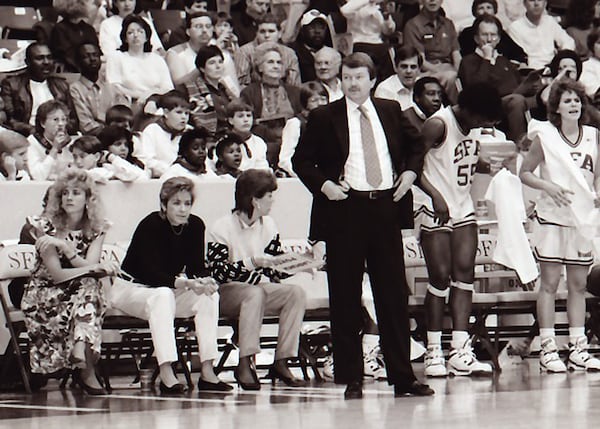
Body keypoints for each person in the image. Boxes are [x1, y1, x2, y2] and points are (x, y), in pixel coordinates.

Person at [292, 52, 433, 399]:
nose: (353, 83)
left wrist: (411, 174)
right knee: (345, 295)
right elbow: (301, 160)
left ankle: (402, 377)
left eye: (359, 77)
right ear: (341, 80)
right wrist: (325, 185)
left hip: (385, 207)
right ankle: (351, 377)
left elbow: (418, 145)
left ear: (372, 80)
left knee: (393, 294)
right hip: (345, 209)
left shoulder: (389, 110)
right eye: (347, 78)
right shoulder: (326, 116)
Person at [415, 83, 503, 378]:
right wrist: (436, 196)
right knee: (439, 276)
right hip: (433, 205)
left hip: (462, 205)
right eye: (482, 119)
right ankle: (433, 350)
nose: (484, 125)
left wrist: (483, 165)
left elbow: (463, 157)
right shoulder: (437, 125)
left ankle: (459, 349)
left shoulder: (475, 128)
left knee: (465, 275)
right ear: (468, 110)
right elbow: (410, 165)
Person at [118, 176, 232, 393]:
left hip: (168, 290)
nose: (182, 209)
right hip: (133, 289)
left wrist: (205, 280)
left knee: (208, 296)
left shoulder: (195, 225)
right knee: (162, 295)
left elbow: (196, 266)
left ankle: (208, 371)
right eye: (176, 203)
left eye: (187, 203)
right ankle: (166, 370)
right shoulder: (150, 224)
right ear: (164, 204)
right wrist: (186, 283)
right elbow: (148, 272)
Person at [519, 79, 600, 372]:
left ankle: (578, 347)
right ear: (556, 107)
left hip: (580, 220)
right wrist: (548, 186)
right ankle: (548, 347)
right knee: (550, 284)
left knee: (578, 285)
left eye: (577, 100)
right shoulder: (546, 137)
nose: (574, 105)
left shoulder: (593, 135)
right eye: (567, 101)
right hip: (552, 217)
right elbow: (525, 172)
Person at [207, 169, 307, 390]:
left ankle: (282, 360)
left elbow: (274, 270)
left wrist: (301, 264)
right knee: (255, 293)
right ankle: (245, 361)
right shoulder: (221, 227)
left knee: (295, 293)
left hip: (257, 290)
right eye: (269, 195)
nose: (273, 201)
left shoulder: (269, 225)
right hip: (225, 292)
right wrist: (252, 263)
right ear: (255, 199)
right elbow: (217, 273)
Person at [21, 168, 117, 395]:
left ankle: (80, 349)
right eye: (65, 193)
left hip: (79, 293)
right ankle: (84, 362)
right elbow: (57, 275)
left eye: (76, 193)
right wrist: (69, 250)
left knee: (90, 286)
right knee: (90, 287)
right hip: (44, 295)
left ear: (88, 199)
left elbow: (89, 266)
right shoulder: (44, 226)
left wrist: (68, 249)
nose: (69, 198)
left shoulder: (97, 227)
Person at [240, 43, 302, 168]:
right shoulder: (249, 92)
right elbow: (248, 122)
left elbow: (302, 117)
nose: (276, 66)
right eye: (270, 62)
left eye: (279, 63)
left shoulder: (295, 91)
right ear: (260, 67)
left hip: (293, 141)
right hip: (263, 141)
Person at [1, 43, 78, 137]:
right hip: (27, 136)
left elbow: (73, 120)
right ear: (27, 62)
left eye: (49, 57)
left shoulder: (61, 85)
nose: (46, 62)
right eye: (39, 58)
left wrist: (59, 130)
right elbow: (9, 121)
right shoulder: (11, 85)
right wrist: (36, 131)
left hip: (60, 135)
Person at [105, 15, 174, 108]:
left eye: (140, 31)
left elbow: (168, 88)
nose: (136, 35)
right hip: (127, 105)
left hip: (155, 103)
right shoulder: (116, 57)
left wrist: (150, 95)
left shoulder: (157, 59)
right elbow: (114, 87)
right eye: (130, 33)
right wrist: (140, 95)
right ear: (125, 38)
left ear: (147, 37)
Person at [403, 0, 462, 103]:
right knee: (450, 77)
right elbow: (420, 61)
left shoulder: (448, 24)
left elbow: (456, 54)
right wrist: (443, 72)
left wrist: (460, 72)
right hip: (426, 72)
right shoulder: (413, 25)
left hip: (449, 68)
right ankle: (453, 110)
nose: (432, 0)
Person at [69, 42, 130, 135]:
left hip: (118, 137)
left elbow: (123, 117)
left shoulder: (111, 87)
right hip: (93, 138)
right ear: (78, 62)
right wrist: (112, 132)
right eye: (86, 56)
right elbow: (86, 126)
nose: (92, 59)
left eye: (95, 55)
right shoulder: (75, 89)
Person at [179, 45, 237, 135]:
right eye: (212, 63)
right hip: (206, 136)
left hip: (231, 134)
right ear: (202, 68)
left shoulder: (226, 89)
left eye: (220, 62)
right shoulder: (191, 88)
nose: (218, 66)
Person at [234, 14, 301, 88]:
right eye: (262, 31)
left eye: (271, 31)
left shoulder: (289, 54)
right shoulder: (244, 52)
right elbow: (242, 84)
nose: (267, 35)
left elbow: (294, 86)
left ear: (279, 33)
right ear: (256, 33)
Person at [134, 90, 191, 178]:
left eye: (186, 113)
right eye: (179, 112)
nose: (184, 117)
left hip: (189, 176)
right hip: (159, 180)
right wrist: (172, 171)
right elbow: (147, 160)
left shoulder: (190, 131)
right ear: (166, 113)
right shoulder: (152, 130)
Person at [507, 0, 574, 71]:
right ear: (524, 3)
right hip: (532, 71)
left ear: (545, 3)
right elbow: (519, 56)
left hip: (555, 68)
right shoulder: (515, 27)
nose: (536, 4)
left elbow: (569, 42)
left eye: (540, 0)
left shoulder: (549, 21)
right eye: (531, 0)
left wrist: (561, 56)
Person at [278, 81, 328, 177]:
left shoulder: (330, 123)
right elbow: (285, 159)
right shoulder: (296, 123)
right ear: (305, 103)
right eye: (314, 100)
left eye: (323, 99)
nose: (320, 104)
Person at [340, 0, 396, 84]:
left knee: (388, 52)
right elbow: (345, 11)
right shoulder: (356, 3)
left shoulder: (378, 6)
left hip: (378, 43)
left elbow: (387, 31)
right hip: (359, 43)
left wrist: (386, 17)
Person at [458, 0, 527, 64]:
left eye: (489, 7)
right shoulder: (467, 34)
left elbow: (518, 53)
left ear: (494, 11)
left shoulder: (500, 33)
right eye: (481, 8)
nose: (485, 11)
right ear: (475, 12)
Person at [26, 100, 74, 181]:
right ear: (43, 123)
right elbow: (37, 176)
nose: (61, 124)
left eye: (63, 119)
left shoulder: (70, 143)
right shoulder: (32, 143)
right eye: (56, 120)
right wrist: (54, 150)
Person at [49, 0, 101, 73]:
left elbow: (97, 52)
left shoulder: (89, 29)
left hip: (91, 72)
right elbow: (65, 54)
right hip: (69, 72)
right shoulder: (59, 29)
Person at [166, 12, 215, 85]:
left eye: (208, 26)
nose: (204, 30)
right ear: (188, 32)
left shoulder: (217, 47)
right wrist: (202, 68)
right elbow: (179, 85)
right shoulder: (175, 53)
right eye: (198, 26)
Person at [99, 0, 164, 55]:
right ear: (115, 3)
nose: (127, 4)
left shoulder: (145, 21)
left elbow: (158, 48)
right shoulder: (107, 24)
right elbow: (109, 54)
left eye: (131, 0)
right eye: (122, 0)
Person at [289, 9, 333, 82]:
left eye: (321, 27)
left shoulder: (332, 54)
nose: (317, 31)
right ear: (302, 30)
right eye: (312, 27)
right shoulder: (293, 53)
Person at [374, 45, 423, 111]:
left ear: (419, 70)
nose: (408, 71)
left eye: (413, 67)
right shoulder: (385, 89)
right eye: (404, 66)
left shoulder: (423, 86)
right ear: (396, 68)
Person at [226, 99, 270, 171]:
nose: (246, 119)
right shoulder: (223, 144)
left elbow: (262, 169)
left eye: (249, 115)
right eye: (240, 116)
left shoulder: (259, 142)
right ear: (231, 120)